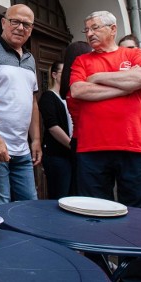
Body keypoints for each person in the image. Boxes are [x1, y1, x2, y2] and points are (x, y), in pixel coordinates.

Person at [70, 10, 141, 282]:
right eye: (87, 29)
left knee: (137, 215)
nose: (90, 33)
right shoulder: (82, 60)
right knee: (94, 214)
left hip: (134, 145)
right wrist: (123, 87)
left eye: (95, 28)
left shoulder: (133, 55)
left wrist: (97, 79)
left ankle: (133, 277)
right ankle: (99, 274)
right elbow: (79, 91)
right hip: (92, 149)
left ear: (112, 29)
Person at [0, 4, 42, 206]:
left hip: (22, 149)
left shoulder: (30, 59)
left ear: (31, 29)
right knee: (1, 206)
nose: (20, 27)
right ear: (4, 22)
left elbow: (32, 102)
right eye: (15, 21)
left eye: (26, 24)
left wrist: (36, 140)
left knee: (29, 205)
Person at [58, 41, 93, 196]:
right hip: (88, 142)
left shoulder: (69, 86)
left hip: (78, 140)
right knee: (86, 190)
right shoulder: (79, 87)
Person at [38, 61, 73, 199]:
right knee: (60, 195)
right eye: (63, 72)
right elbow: (53, 127)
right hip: (57, 154)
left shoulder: (69, 96)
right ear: (54, 75)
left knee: (72, 195)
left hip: (70, 155)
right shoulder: (48, 97)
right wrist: (72, 145)